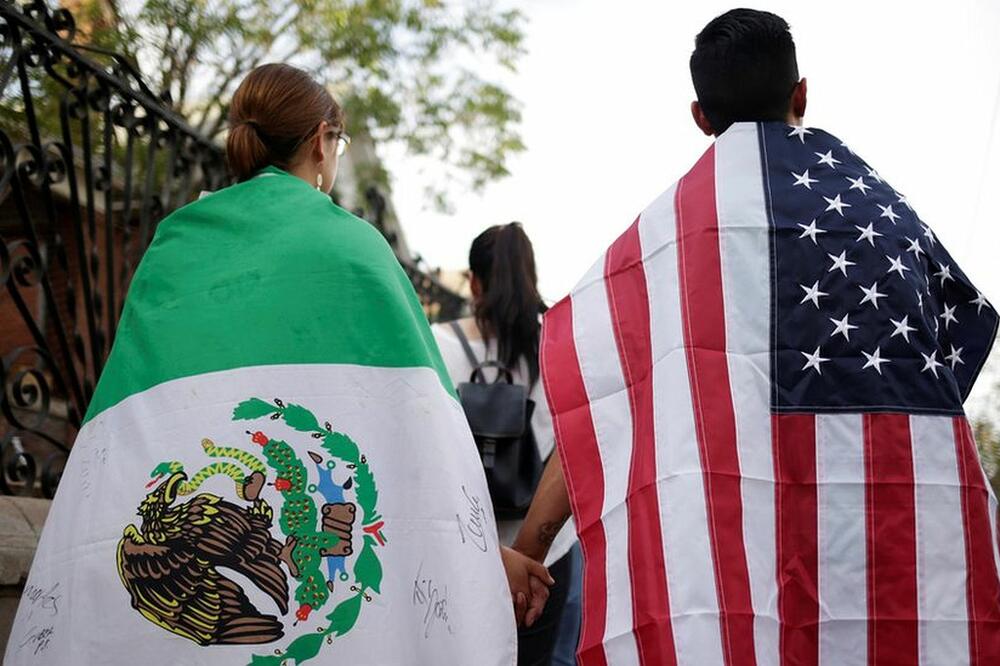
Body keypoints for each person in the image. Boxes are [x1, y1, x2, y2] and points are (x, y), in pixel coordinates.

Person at [3, 63, 549, 666]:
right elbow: (415, 450)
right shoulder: (358, 250)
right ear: (321, 141)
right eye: (337, 143)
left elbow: (131, 430)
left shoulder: (173, 248)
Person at [516, 8, 999, 666]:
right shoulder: (885, 218)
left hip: (719, 571)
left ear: (700, 116)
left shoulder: (657, 247)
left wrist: (530, 549)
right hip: (888, 555)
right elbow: (957, 338)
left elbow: (598, 408)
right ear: (801, 94)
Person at [432, 223, 579, 665]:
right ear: (530, 277)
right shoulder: (563, 344)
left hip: (464, 548)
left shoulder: (436, 343)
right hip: (546, 551)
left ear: (474, 282)